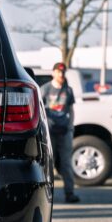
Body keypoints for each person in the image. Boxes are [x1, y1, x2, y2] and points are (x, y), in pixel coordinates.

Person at [40, 62, 80, 203]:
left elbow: (70, 110)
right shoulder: (45, 89)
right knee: (48, 163)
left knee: (66, 163)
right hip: (50, 131)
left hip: (64, 132)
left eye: (63, 72)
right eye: (58, 72)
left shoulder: (68, 90)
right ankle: (46, 195)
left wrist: (70, 127)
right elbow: (40, 110)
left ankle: (70, 193)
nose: (61, 75)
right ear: (53, 73)